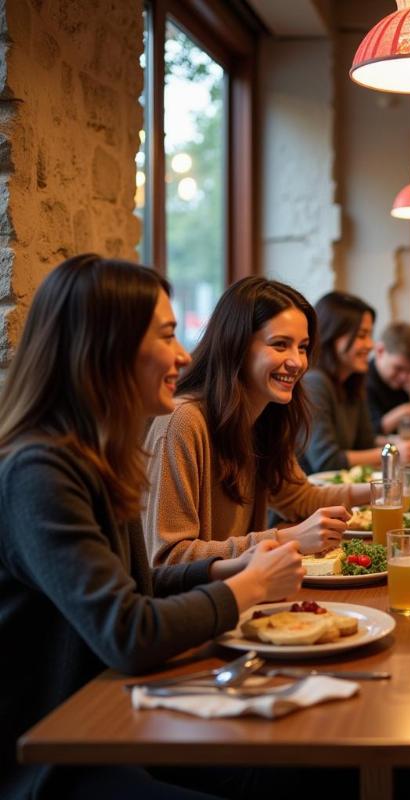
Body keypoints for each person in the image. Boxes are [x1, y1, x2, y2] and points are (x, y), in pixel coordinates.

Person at [0, 255, 308, 799]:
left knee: (304, 765)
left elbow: (136, 588)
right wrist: (248, 587)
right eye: (167, 335)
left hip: (116, 717)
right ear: (106, 348)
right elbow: (129, 632)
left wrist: (226, 567)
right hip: (55, 755)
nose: (185, 354)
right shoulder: (38, 472)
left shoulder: (95, 457)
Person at [143, 277, 368, 567]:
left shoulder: (265, 415)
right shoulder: (183, 422)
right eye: (280, 345)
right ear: (236, 345)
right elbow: (167, 559)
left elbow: (298, 496)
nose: (298, 362)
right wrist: (288, 539)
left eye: (302, 347)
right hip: (199, 606)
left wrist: (383, 490)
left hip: (245, 595)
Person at [299, 291, 410, 474]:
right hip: (316, 496)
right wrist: (392, 451)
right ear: (332, 335)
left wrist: (396, 445)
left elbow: (365, 443)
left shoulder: (352, 382)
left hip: (340, 492)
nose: (370, 345)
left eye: (369, 335)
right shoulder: (314, 383)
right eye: (361, 335)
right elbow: (327, 461)